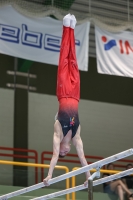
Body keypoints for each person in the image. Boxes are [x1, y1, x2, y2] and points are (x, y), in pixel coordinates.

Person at [43, 14, 90, 186]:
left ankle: (66, 27)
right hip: (76, 95)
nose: (65, 151)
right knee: (74, 61)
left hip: (63, 93)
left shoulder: (58, 131)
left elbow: (54, 156)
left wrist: (49, 175)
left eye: (63, 151)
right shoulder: (76, 136)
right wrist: (88, 178)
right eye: (66, 152)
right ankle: (73, 27)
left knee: (64, 59)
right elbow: (83, 158)